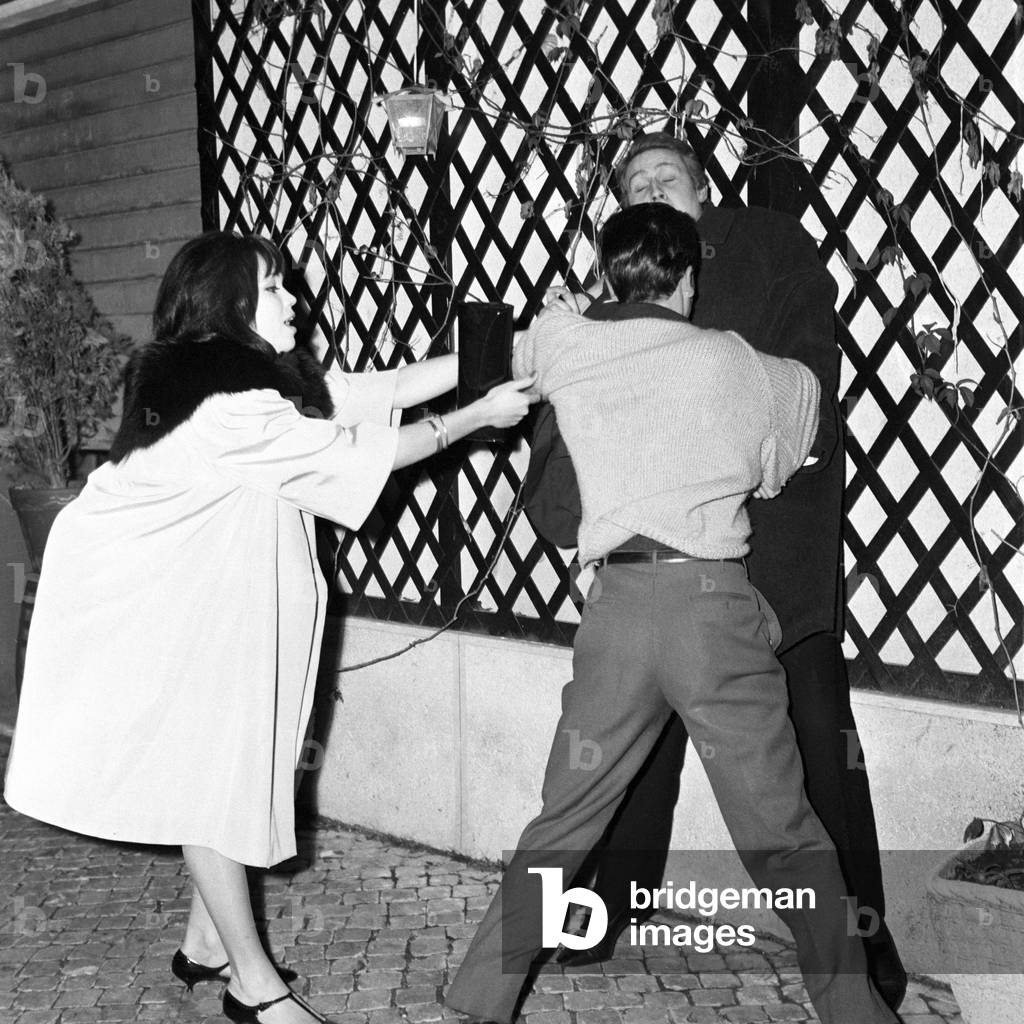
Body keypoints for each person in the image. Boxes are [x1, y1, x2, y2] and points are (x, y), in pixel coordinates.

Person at [3, 231, 536, 1024]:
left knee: (226, 767)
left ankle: (204, 943)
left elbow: (366, 392)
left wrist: (503, 348)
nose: (296, 301)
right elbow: (358, 452)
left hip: (201, 604)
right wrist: (477, 417)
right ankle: (255, 988)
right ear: (235, 303)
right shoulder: (227, 406)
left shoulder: (240, 379)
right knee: (214, 784)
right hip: (164, 612)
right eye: (278, 288)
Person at [445, 202, 899, 1024]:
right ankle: (856, 1014)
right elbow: (789, 450)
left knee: (563, 820)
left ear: (610, 275)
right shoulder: (739, 362)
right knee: (785, 832)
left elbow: (500, 353)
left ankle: (480, 996)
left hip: (615, 611)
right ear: (690, 280)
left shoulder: (568, 341)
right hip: (710, 610)